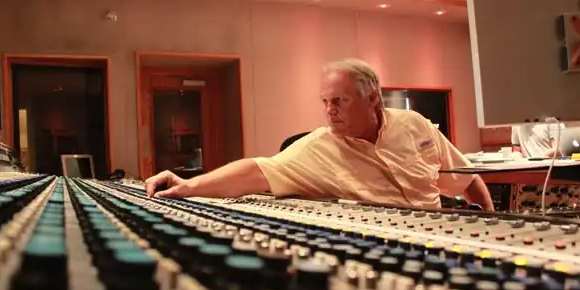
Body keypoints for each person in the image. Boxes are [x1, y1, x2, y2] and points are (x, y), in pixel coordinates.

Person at [145, 58, 493, 211]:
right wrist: (187, 186)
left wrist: (490, 219)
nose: (330, 110)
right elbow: (256, 170)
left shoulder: (415, 123)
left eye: (340, 101)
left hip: (440, 235)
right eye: (325, 102)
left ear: (373, 98)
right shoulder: (317, 146)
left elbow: (467, 178)